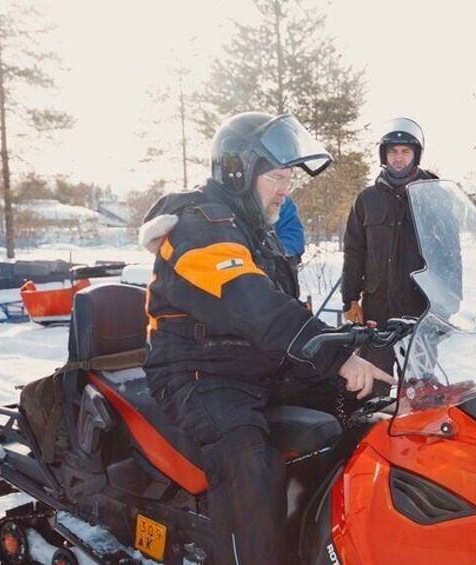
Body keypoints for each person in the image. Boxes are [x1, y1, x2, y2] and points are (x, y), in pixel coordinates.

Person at [139, 112, 394, 564]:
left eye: (289, 179)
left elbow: (283, 309)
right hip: (198, 370)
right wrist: (336, 356)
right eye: (277, 177)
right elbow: (250, 302)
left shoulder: (255, 228)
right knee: (246, 462)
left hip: (255, 364)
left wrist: (350, 344)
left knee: (368, 401)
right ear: (237, 172)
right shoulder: (200, 223)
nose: (285, 189)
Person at [342, 117, 457, 375]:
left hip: (417, 309)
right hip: (377, 309)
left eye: (405, 151)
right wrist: (349, 299)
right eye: (393, 151)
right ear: (384, 154)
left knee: (419, 389)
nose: (398, 158)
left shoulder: (434, 196)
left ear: (416, 154)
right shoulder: (366, 200)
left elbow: (450, 254)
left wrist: (448, 303)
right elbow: (354, 252)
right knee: (373, 385)